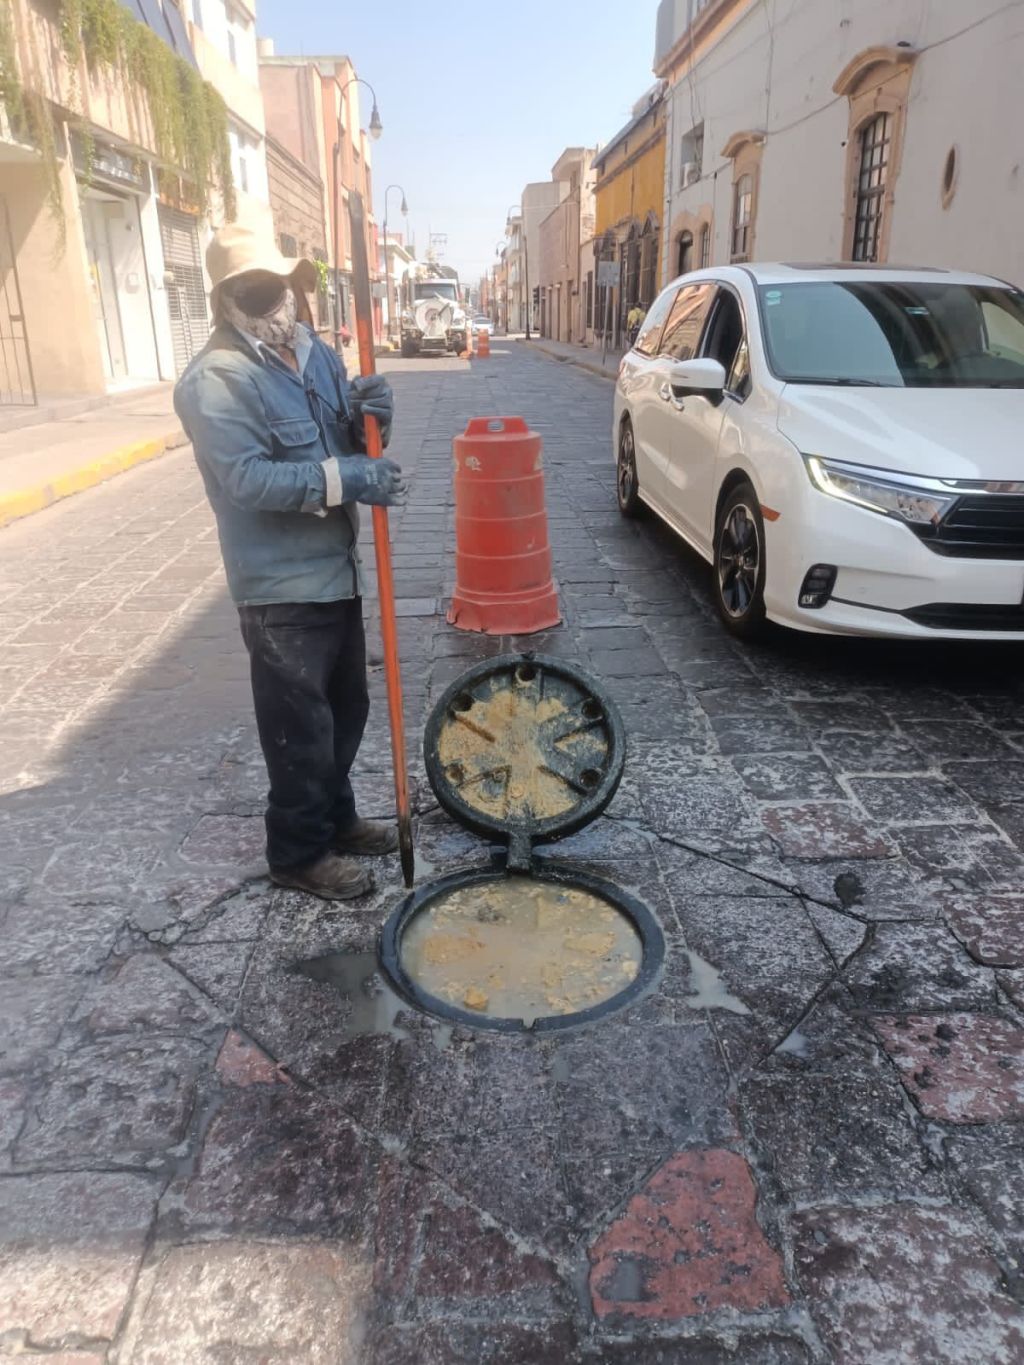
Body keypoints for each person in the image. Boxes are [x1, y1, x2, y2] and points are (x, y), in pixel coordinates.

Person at [174, 213, 407, 902]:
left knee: (345, 709)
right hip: (279, 586)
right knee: (299, 725)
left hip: (337, 570)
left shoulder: (319, 355)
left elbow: (353, 443)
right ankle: (297, 851)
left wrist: (375, 417)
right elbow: (246, 480)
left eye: (278, 285)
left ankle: (336, 818)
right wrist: (346, 479)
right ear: (226, 299)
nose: (273, 301)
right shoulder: (214, 380)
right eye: (253, 290)